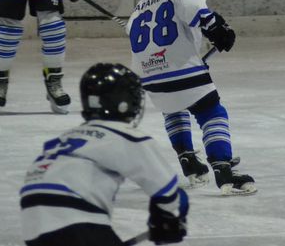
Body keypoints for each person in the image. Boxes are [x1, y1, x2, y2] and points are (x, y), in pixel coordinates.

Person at [127, 0, 256, 195]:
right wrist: (216, 27)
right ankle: (223, 169)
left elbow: (133, 32)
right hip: (181, 71)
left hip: (148, 77)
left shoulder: (143, 0)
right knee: (211, 111)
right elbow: (193, 8)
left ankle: (189, 162)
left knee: (174, 106)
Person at [20, 63, 188, 246]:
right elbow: (167, 192)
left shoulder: (66, 137)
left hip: (32, 223)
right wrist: (166, 220)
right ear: (124, 102)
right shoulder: (126, 135)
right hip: (77, 220)